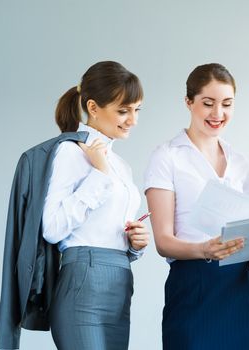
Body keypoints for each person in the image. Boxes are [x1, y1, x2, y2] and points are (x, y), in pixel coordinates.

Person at [144, 63, 249, 350]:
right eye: (208, 103)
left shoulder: (240, 162)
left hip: (237, 287)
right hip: (192, 283)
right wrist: (203, 250)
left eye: (227, 104)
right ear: (189, 102)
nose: (218, 114)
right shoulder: (167, 156)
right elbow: (163, 242)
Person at [42, 61, 149, 349]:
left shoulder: (121, 165)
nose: (132, 120)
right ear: (93, 107)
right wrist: (98, 175)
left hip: (120, 281)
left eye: (136, 110)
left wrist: (134, 244)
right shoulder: (71, 151)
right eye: (123, 111)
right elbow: (52, 229)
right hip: (83, 283)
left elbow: (107, 229)